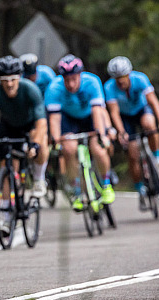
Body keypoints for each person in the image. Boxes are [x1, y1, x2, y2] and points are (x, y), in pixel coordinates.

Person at [45, 54, 115, 211]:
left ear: (80, 75)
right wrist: (56, 140)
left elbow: (98, 111)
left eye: (74, 79)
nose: (70, 84)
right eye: (66, 79)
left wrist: (101, 134)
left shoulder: (92, 82)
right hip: (69, 119)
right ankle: (76, 191)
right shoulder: (54, 88)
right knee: (68, 149)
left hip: (89, 116)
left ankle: (106, 184)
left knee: (98, 147)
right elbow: (54, 119)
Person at [0, 55, 49, 199]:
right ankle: (7, 210)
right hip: (8, 126)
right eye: (5, 80)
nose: (9, 84)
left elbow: (41, 122)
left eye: (13, 79)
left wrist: (35, 145)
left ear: (20, 77)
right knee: (7, 167)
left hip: (30, 125)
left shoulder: (30, 89)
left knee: (41, 144)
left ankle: (39, 179)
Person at [104, 56, 159, 209]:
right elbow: (114, 113)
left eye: (122, 76)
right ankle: (140, 188)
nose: (120, 81)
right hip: (125, 117)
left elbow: (153, 101)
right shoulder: (109, 88)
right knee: (133, 152)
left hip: (141, 110)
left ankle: (158, 160)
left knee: (150, 124)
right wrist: (121, 132)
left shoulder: (140, 79)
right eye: (117, 78)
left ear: (129, 74)